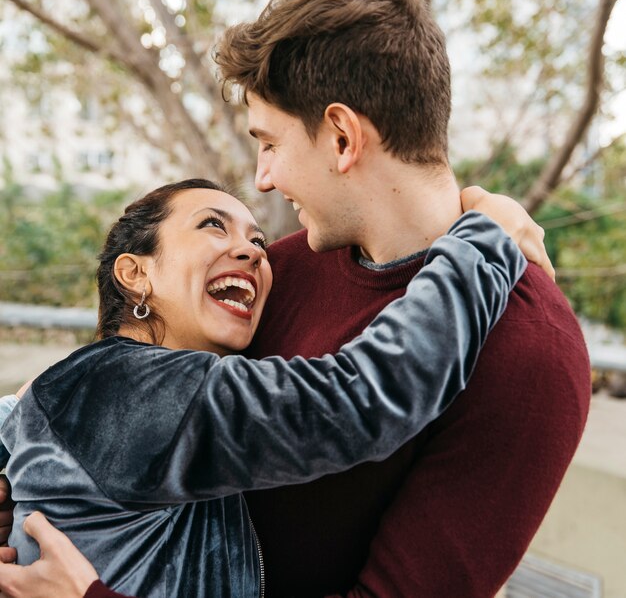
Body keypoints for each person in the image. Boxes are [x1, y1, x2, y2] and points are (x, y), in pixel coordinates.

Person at [0, 0, 591, 596]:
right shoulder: (284, 271)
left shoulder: (531, 349)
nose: (262, 178)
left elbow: (359, 403)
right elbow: (90, 415)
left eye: (269, 143)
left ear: (342, 138)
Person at [0, 176, 532, 598]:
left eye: (258, 241)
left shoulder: (85, 388)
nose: (253, 252)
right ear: (135, 273)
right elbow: (360, 399)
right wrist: (486, 241)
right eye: (214, 225)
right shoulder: (116, 383)